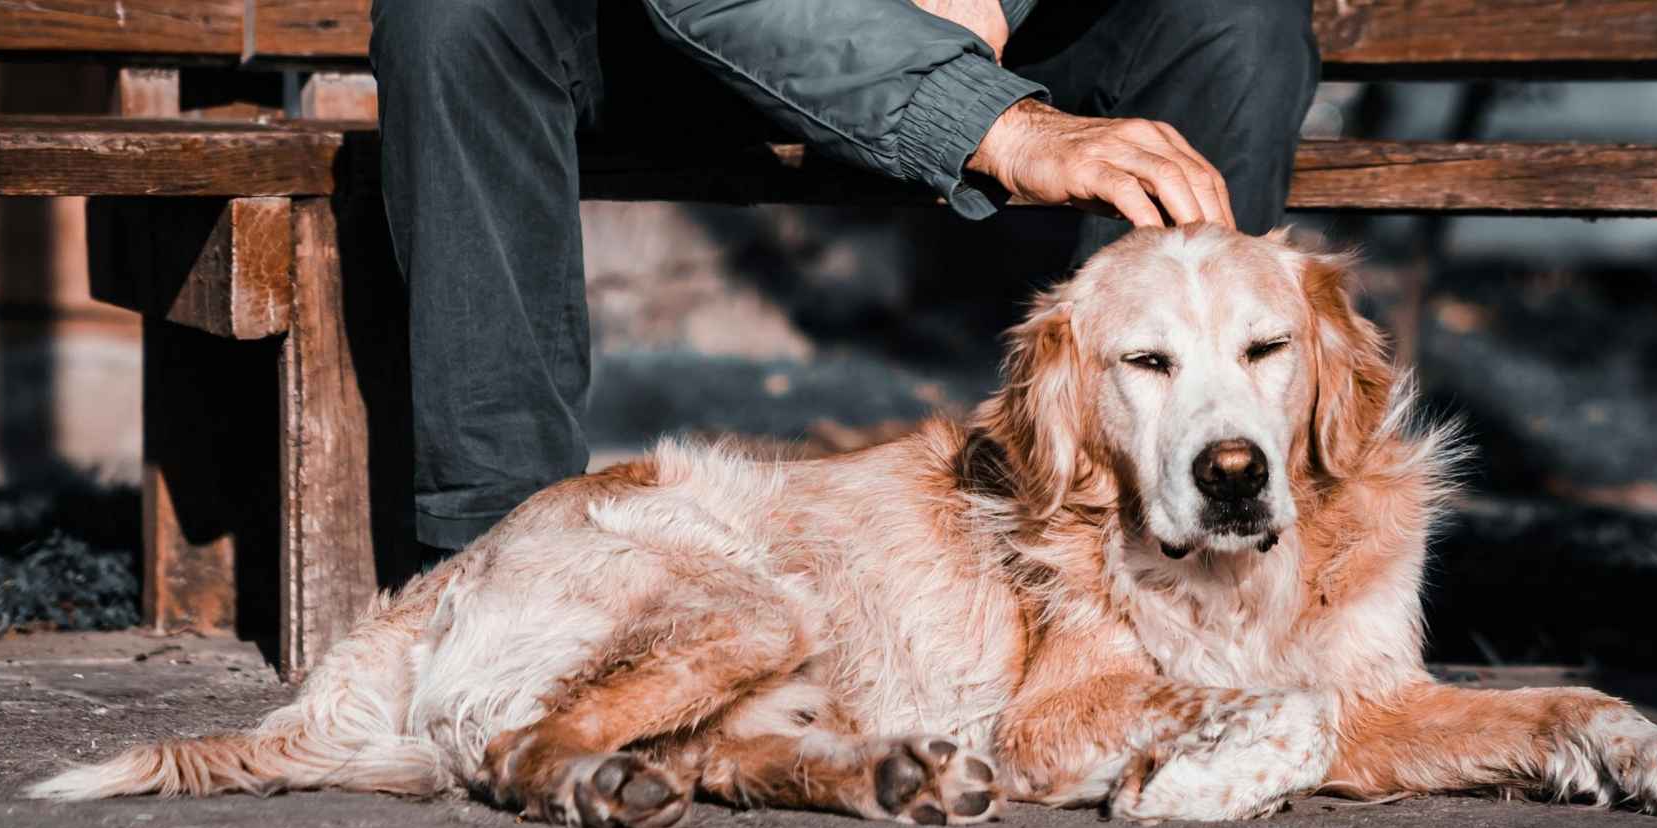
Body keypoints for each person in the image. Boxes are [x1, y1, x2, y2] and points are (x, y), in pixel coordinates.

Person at [369, 0, 1320, 553]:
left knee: (1234, 19)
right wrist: (996, 122)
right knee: (455, 13)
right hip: (679, 42)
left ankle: (1161, 538)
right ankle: (498, 563)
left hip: (1010, 34)